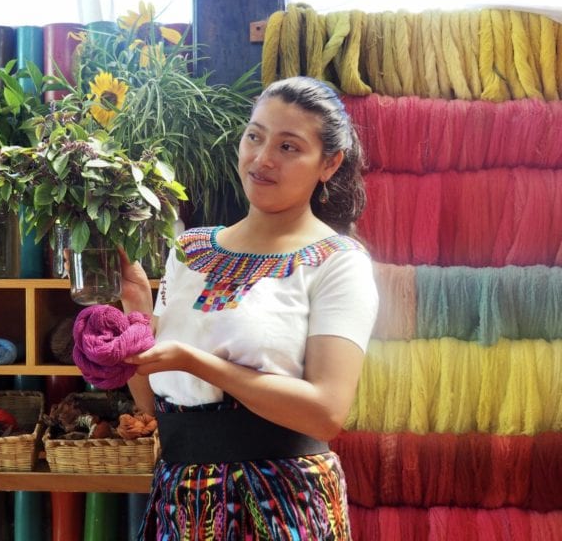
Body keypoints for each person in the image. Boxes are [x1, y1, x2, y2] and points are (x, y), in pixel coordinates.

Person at [119, 75, 379, 540]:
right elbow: (155, 404)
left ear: (330, 163)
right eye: (254, 136)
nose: (262, 159)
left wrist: (198, 362)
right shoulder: (190, 249)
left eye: (289, 147)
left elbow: (326, 412)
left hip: (282, 502)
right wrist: (137, 312)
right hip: (183, 497)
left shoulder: (337, 262)